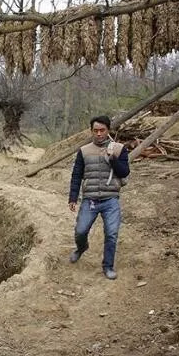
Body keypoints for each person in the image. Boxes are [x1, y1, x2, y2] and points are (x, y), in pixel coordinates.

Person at [68, 115, 130, 280]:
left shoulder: (119, 149)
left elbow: (125, 172)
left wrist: (113, 159)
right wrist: (73, 197)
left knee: (111, 234)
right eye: (95, 130)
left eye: (102, 130)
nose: (99, 134)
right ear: (91, 131)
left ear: (108, 130)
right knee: (80, 231)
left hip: (111, 199)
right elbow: (76, 175)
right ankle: (81, 248)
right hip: (90, 199)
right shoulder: (84, 151)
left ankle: (108, 266)